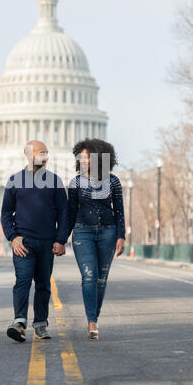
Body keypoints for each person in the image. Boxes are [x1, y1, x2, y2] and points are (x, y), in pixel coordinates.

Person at [1, 140, 70, 342]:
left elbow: (64, 213)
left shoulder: (55, 181)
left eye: (47, 153)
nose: (45, 156)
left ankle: (41, 324)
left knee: (43, 285)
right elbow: (6, 213)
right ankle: (19, 322)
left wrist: (61, 239)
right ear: (30, 155)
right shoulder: (14, 180)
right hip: (24, 243)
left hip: (47, 242)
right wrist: (13, 237)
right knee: (22, 281)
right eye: (41, 153)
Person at [68, 138, 125, 340]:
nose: (82, 160)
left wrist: (121, 236)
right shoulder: (76, 182)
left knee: (101, 279)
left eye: (86, 157)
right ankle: (91, 321)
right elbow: (70, 212)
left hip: (108, 232)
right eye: (80, 157)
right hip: (83, 232)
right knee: (89, 276)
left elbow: (119, 210)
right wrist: (60, 239)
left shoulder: (113, 181)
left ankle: (95, 318)